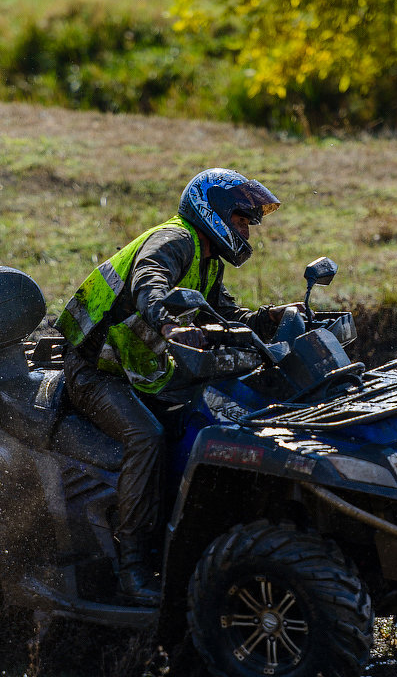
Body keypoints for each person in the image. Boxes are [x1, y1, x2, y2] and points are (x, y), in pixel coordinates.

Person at [54, 167, 295, 604]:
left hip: (137, 367)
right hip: (92, 369)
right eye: (241, 220)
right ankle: (133, 567)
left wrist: (272, 318)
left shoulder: (206, 259)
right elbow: (150, 281)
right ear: (215, 213)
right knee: (146, 437)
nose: (246, 229)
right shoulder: (175, 240)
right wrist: (166, 321)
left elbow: (224, 317)